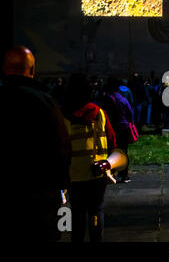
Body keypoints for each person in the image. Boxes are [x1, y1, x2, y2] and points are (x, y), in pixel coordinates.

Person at [0, 46, 71, 241]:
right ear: (31, 71)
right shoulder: (45, 102)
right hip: (39, 200)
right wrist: (60, 186)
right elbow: (62, 148)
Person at [62, 73, 117, 242]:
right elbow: (112, 139)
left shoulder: (64, 116)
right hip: (98, 171)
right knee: (96, 210)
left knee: (77, 210)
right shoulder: (99, 113)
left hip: (74, 173)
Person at [102, 77, 134, 183]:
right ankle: (124, 175)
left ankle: (112, 173)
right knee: (124, 150)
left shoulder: (107, 99)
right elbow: (130, 113)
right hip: (123, 127)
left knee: (111, 150)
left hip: (111, 127)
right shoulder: (123, 99)